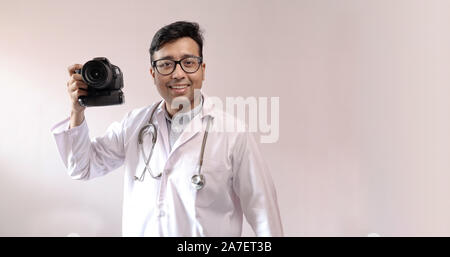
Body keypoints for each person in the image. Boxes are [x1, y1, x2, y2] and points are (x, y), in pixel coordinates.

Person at [51, 21, 283, 236]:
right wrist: (77, 111)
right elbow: (82, 167)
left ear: (202, 70)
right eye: (166, 64)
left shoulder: (234, 134)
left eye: (189, 63)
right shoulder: (134, 124)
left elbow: (264, 216)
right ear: (153, 73)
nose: (178, 73)